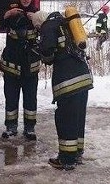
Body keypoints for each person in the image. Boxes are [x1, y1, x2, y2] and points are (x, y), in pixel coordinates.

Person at [30, 10, 93, 171]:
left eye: (37, 27)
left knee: (65, 119)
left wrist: (41, 51)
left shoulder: (47, 26)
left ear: (39, 23)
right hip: (83, 77)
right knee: (78, 117)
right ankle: (77, 153)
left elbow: (48, 53)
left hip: (68, 80)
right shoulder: (65, 23)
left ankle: (66, 159)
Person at [0, 0, 41, 140]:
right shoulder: (11, 12)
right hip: (11, 65)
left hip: (30, 65)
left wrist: (36, 20)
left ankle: (30, 128)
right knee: (11, 97)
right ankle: (11, 127)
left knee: (30, 98)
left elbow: (47, 32)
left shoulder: (37, 14)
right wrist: (6, 14)